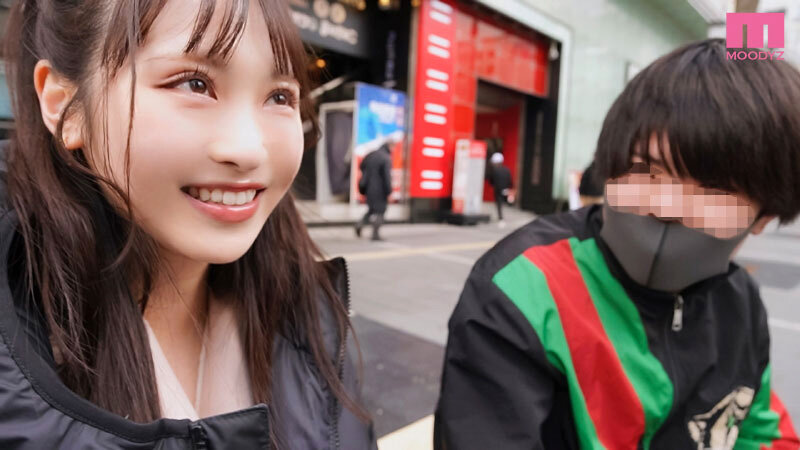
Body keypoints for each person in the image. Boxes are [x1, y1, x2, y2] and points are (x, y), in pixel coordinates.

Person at [0, 1, 376, 449]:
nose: (249, 149)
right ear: (65, 104)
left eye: (279, 96)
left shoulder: (312, 316)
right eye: (194, 83)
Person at [435, 39, 800, 449]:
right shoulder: (526, 286)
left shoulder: (740, 302)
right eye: (649, 171)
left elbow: (761, 432)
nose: (667, 207)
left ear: (764, 215)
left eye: (713, 190)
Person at [355, 142, 392, 241]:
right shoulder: (385, 158)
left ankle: (359, 224)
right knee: (381, 210)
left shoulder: (371, 155)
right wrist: (389, 191)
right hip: (380, 190)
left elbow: (362, 166)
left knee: (371, 210)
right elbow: (386, 177)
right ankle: (375, 234)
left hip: (367, 188)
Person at [487, 152, 513, 224]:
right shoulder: (507, 170)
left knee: (499, 203)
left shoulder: (495, 170)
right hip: (506, 189)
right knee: (507, 202)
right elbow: (510, 180)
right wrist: (509, 187)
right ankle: (502, 217)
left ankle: (501, 217)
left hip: (498, 189)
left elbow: (491, 180)